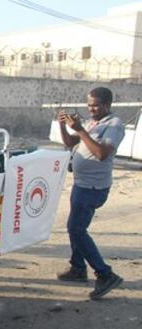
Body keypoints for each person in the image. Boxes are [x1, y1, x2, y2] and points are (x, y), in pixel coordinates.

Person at [56, 87, 124, 300]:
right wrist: (63, 125)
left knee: (76, 229)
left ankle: (105, 274)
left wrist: (81, 130)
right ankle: (77, 269)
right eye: (89, 105)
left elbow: (102, 153)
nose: (91, 109)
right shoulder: (91, 122)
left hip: (93, 187)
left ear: (107, 105)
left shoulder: (114, 124)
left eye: (95, 105)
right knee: (76, 226)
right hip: (81, 184)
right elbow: (69, 143)